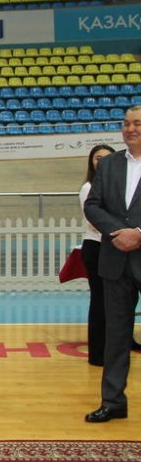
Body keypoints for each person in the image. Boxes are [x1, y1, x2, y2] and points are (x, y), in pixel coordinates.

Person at [83, 106, 141, 422]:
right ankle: (113, 401)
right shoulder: (109, 165)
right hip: (115, 259)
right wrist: (119, 232)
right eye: (126, 123)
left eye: (137, 123)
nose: (130, 129)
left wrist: (139, 234)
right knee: (116, 335)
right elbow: (93, 206)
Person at [80, 144, 116, 366]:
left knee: (118, 300)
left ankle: (121, 343)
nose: (102, 162)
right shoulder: (89, 187)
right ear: (92, 162)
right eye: (97, 158)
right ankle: (97, 353)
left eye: (107, 158)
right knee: (100, 300)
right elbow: (94, 222)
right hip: (97, 246)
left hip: (115, 247)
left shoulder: (118, 186)